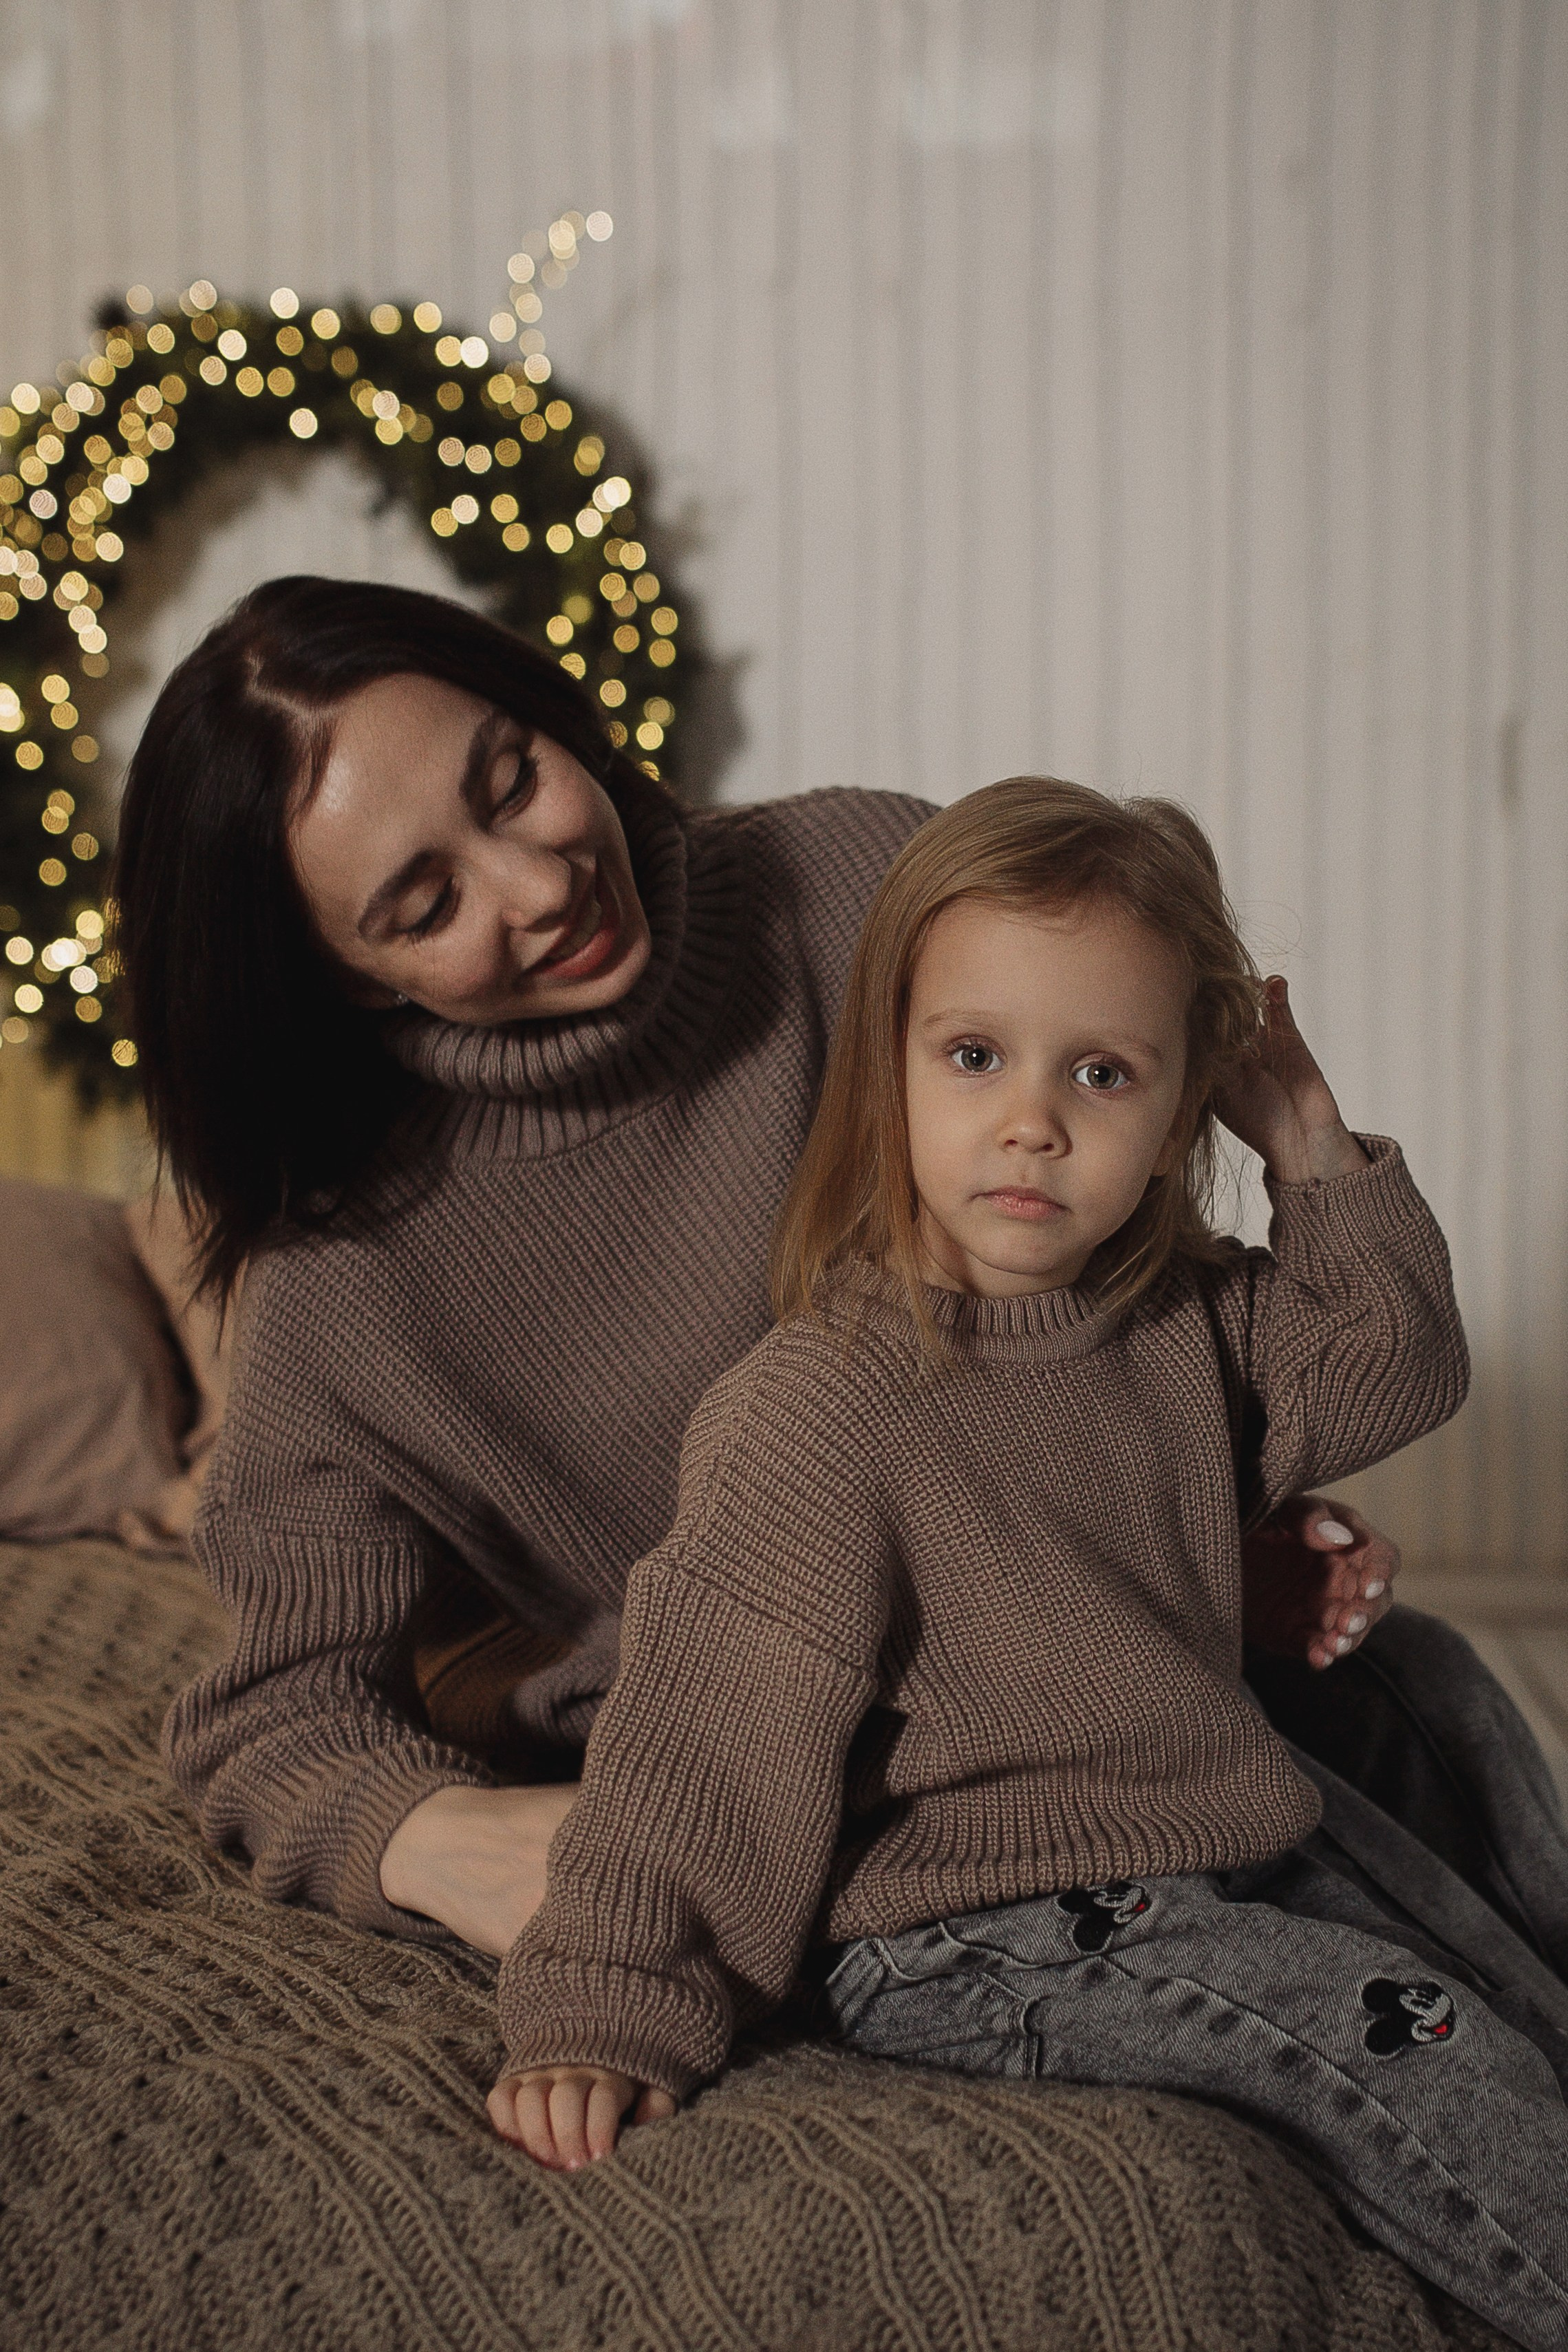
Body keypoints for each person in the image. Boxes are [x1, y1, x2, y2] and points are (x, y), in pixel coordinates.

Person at [114, 578, 1564, 2027]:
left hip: (1097, 1681)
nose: (540, 883)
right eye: (426, 904)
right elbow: (272, 1713)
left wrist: (1185, 1518)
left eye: (514, 778)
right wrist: (436, 1838)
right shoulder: (343, 1279)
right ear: (341, 981)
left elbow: (1092, 1275)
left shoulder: (855, 874)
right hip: (822, 1791)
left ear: (552, 714)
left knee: (1427, 1697)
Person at [489, 780, 1568, 2348]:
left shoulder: (1181, 1319)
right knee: (1423, 2049)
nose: (1033, 1121)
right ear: (895, 1064)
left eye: (1105, 1072)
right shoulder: (820, 1407)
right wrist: (600, 2004)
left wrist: (1313, 1140)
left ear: (1183, 1103)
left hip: (1191, 1830)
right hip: (983, 1923)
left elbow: (1397, 1364)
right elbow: (700, 1739)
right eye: (976, 1055)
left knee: (1466, 1888)